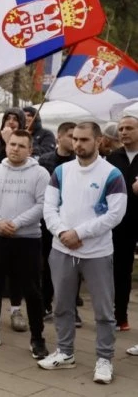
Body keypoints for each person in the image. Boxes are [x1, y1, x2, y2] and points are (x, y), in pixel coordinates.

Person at [38, 122, 127, 385]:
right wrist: (63, 232)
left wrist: (81, 233)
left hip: (97, 253)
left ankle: (104, 359)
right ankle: (65, 353)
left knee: (103, 311)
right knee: (62, 306)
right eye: (75, 139)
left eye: (85, 139)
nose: (78, 144)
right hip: (61, 249)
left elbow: (115, 214)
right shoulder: (61, 172)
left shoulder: (112, 174)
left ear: (99, 141)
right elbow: (49, 208)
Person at [0, 130, 50, 359]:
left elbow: (43, 205)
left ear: (30, 149)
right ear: (6, 146)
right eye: (12, 144)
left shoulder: (40, 174)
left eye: (21, 146)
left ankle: (37, 338)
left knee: (32, 291)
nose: (15, 148)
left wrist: (16, 223)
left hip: (27, 240)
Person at [0, 107, 28, 332]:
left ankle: (16, 309)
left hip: (21, 221)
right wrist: (2, 143)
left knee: (18, 269)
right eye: (7, 119)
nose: (11, 123)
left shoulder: (32, 145)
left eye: (16, 120)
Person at [38, 123, 78, 323]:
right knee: (47, 262)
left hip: (71, 220)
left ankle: (71, 308)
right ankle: (45, 303)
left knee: (73, 264)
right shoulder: (45, 161)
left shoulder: (80, 162)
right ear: (59, 137)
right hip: (49, 220)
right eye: (71, 136)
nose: (74, 140)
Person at [106, 115, 138, 332]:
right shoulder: (112, 158)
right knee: (120, 270)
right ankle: (120, 316)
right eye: (121, 128)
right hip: (121, 223)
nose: (124, 132)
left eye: (129, 128)